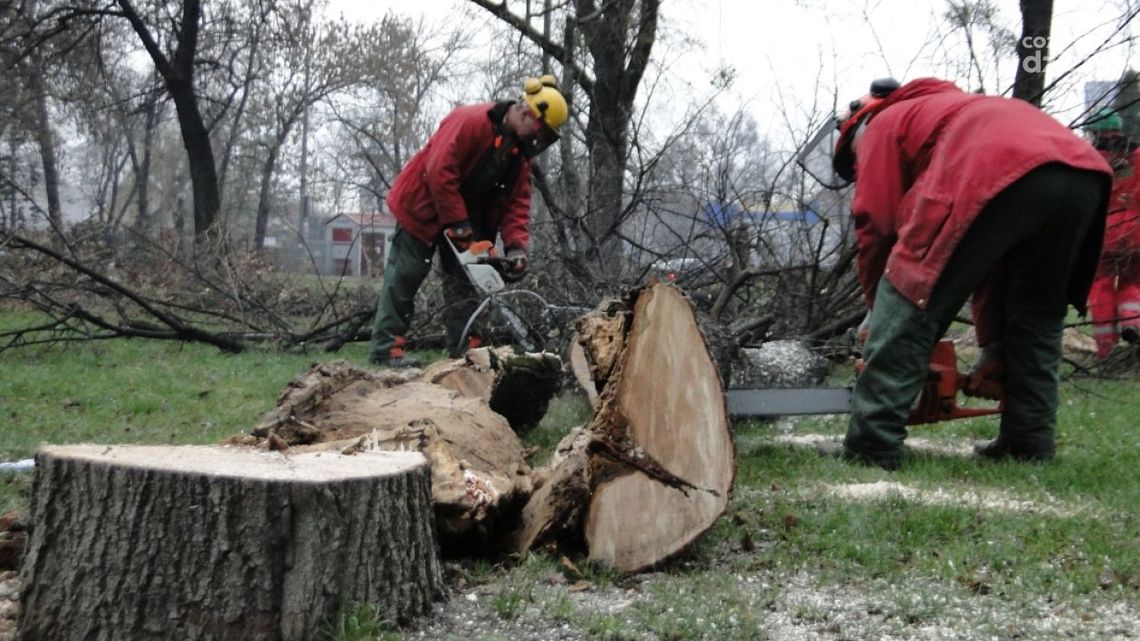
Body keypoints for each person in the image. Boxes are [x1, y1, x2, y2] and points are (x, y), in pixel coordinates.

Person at [831, 77, 1112, 470]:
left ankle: (872, 446)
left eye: (853, 162)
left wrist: (880, 313)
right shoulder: (959, 110)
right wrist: (993, 347)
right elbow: (991, 260)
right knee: (1036, 315)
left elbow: (877, 223)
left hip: (998, 167)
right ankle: (1028, 440)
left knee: (908, 296)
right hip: (1082, 174)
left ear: (857, 126)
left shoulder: (883, 121)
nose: (858, 169)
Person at [368, 75, 568, 368]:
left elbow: (517, 204)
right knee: (406, 275)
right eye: (541, 131)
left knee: (463, 284)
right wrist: (458, 223)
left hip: (464, 218)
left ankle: (465, 353)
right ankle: (385, 350)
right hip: (423, 204)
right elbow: (439, 171)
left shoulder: (518, 157)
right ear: (526, 113)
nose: (539, 140)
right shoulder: (471, 121)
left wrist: (515, 248)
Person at [1083, 110, 1140, 359]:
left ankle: (1106, 349)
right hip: (1137, 230)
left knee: (1100, 286)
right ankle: (1133, 323)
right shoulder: (1137, 156)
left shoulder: (1087, 159)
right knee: (1133, 282)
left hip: (1102, 233)